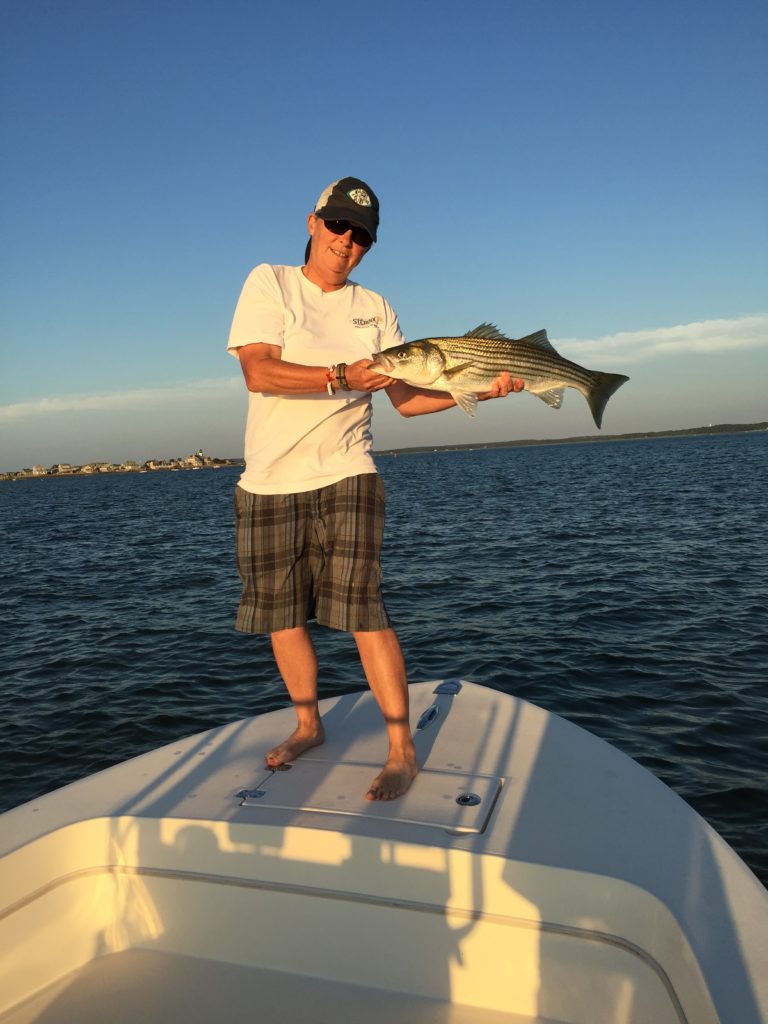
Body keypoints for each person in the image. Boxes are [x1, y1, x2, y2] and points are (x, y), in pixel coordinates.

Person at [227, 176, 522, 801]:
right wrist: (339, 374)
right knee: (283, 616)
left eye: (361, 235)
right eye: (338, 226)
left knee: (364, 610)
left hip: (347, 471)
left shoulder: (377, 309)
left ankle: (401, 751)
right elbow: (259, 372)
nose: (347, 241)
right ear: (313, 223)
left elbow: (408, 402)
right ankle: (309, 727)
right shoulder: (269, 282)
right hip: (269, 479)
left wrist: (477, 392)